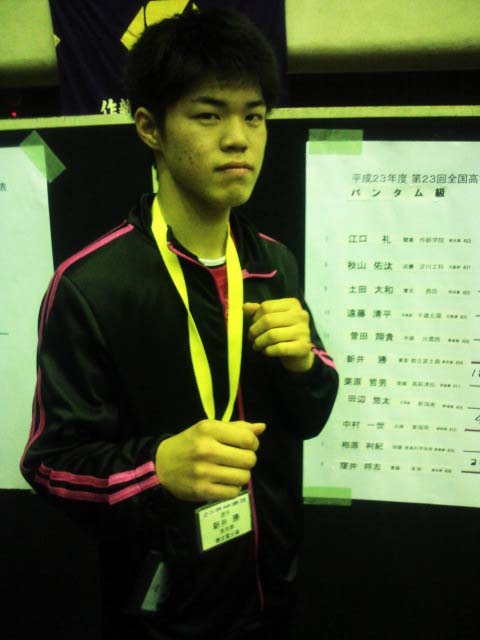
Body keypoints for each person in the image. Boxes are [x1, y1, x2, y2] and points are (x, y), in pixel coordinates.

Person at [21, 8, 338, 640]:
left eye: (254, 115)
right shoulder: (92, 285)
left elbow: (309, 416)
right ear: (149, 128)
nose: (238, 138)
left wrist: (305, 365)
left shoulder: (272, 262)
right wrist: (157, 470)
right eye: (209, 115)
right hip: (165, 613)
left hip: (273, 587)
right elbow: (52, 464)